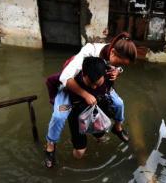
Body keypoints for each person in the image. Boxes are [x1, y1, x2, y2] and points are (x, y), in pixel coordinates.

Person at [44, 32, 137, 168]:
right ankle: (50, 146)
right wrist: (85, 94)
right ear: (113, 53)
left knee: (119, 103)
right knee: (59, 116)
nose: (119, 66)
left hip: (95, 89)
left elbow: (117, 67)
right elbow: (65, 77)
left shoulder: (112, 52)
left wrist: (117, 71)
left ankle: (117, 128)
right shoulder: (87, 54)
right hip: (72, 86)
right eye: (119, 63)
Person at [67, 57, 112, 159]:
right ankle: (78, 167)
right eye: (90, 83)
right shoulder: (74, 81)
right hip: (78, 117)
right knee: (80, 152)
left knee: (102, 138)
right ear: (83, 74)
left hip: (98, 114)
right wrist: (85, 95)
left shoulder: (108, 77)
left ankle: (98, 144)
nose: (93, 87)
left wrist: (119, 71)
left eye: (97, 83)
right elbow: (60, 81)